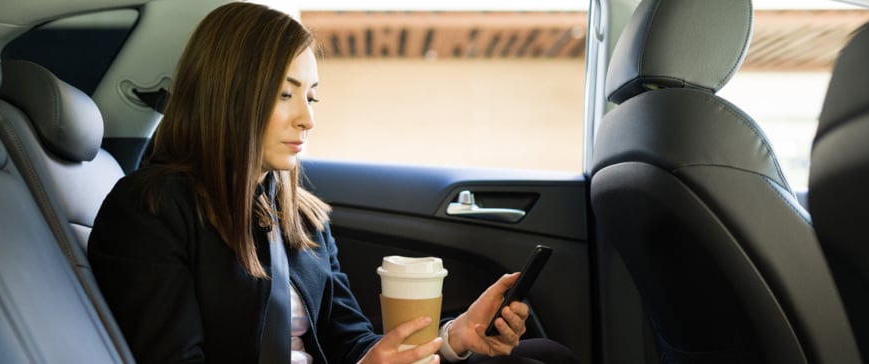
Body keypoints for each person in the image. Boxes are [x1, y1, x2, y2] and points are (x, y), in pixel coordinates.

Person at [88, 2, 576, 364]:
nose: (307, 119)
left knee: (544, 354)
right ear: (227, 95)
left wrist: (454, 337)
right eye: (285, 94)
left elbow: (353, 344)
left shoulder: (302, 219)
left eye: (313, 98)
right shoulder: (152, 208)